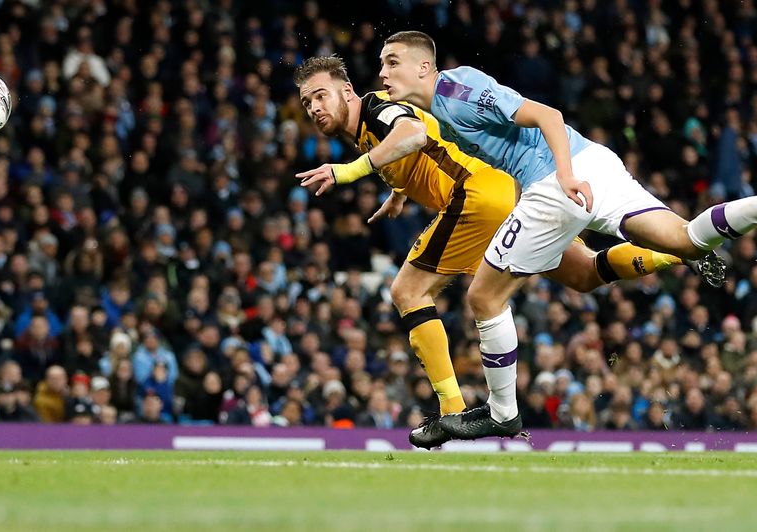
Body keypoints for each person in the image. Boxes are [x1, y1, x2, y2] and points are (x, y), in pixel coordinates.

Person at [326, 30, 757, 441]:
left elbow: (546, 115)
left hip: (557, 180)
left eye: (392, 62)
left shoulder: (455, 92)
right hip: (595, 162)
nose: (382, 73)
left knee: (484, 298)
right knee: (683, 239)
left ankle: (502, 414)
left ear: (423, 67)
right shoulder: (442, 102)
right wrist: (400, 190)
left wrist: (565, 176)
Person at [293, 56, 723, 448]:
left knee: (408, 291)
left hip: (476, 197)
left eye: (321, 95)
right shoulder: (367, 130)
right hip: (509, 194)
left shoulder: (377, 107)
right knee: (584, 274)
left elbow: (412, 132)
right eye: (307, 102)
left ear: (347, 91)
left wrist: (348, 172)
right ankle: (679, 252)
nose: (314, 107)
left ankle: (452, 411)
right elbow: (418, 144)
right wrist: (399, 191)